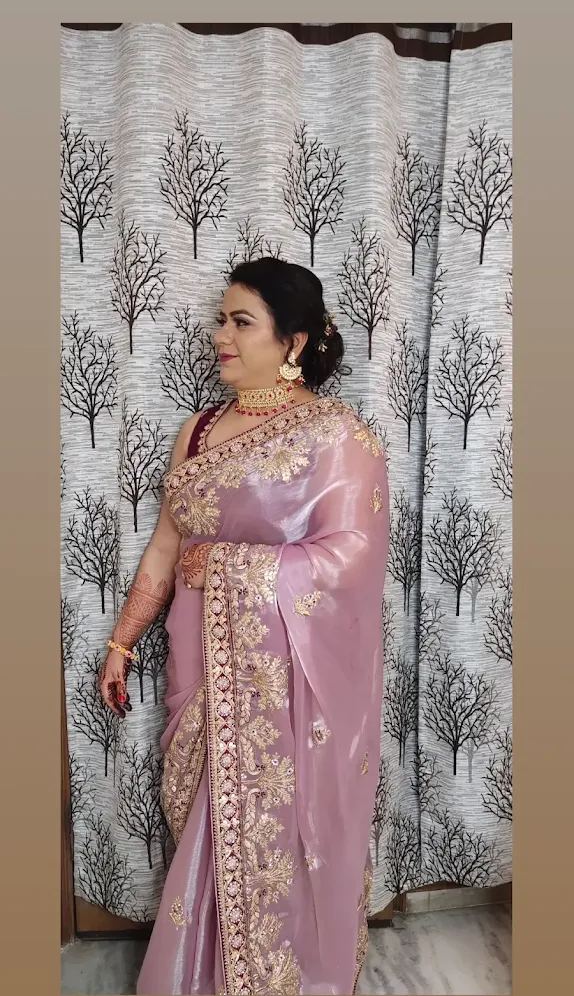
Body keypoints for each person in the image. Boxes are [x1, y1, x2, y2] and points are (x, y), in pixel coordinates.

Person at [98, 257, 389, 996]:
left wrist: (228, 565)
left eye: (240, 322)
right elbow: (167, 547)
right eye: (219, 320)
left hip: (285, 673)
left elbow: (351, 559)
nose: (220, 335)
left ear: (293, 342)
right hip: (196, 657)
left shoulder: (336, 436)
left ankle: (280, 975)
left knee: (279, 819)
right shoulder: (197, 432)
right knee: (201, 808)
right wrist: (123, 641)